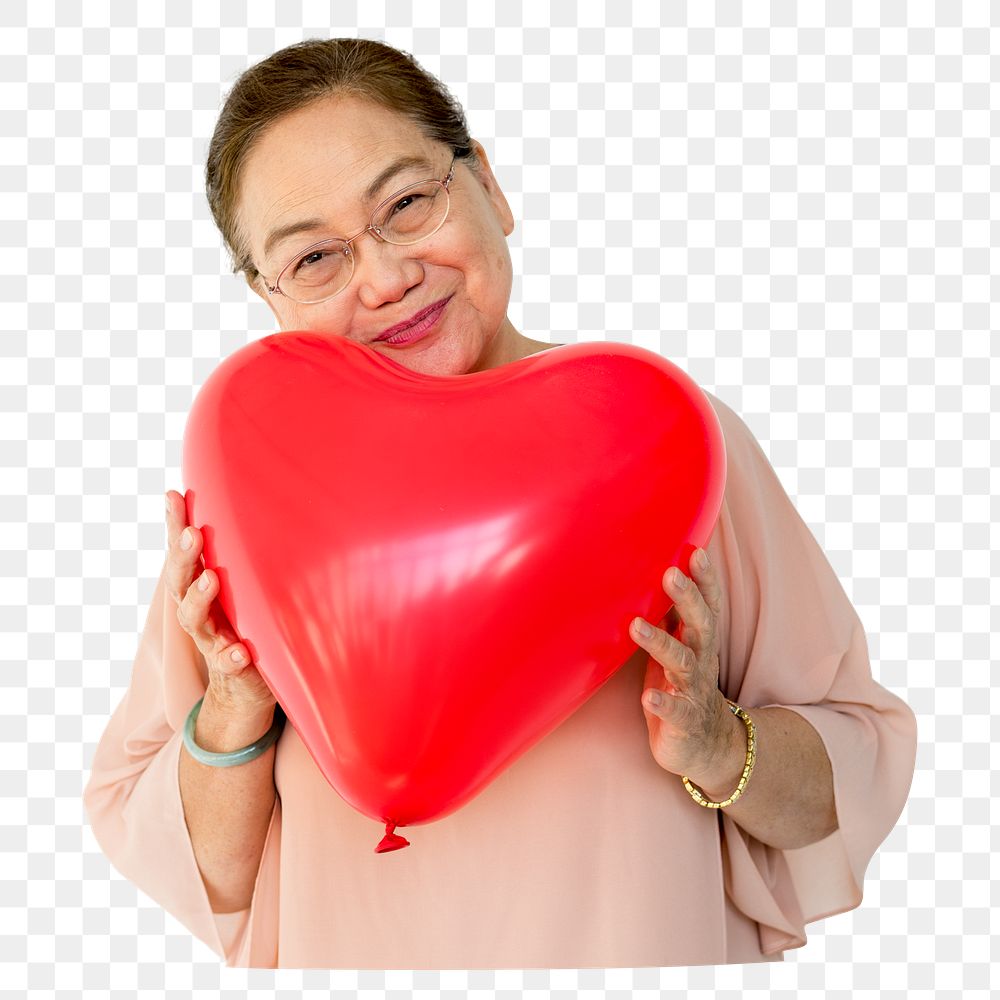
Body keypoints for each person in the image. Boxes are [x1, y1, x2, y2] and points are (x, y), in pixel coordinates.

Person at [83, 37, 917, 970]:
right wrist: (235, 709)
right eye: (315, 257)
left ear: (488, 184)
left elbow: (838, 793)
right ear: (267, 295)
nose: (386, 277)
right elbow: (202, 875)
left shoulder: (659, 445)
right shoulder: (257, 484)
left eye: (407, 204)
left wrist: (719, 744)